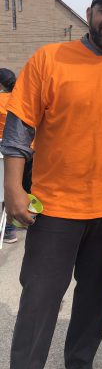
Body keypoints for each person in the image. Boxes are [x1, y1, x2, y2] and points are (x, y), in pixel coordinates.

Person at [1, 0, 102, 369]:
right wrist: (14, 191)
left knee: (95, 298)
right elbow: (18, 132)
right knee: (40, 299)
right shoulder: (49, 59)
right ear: (88, 13)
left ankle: (80, 362)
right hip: (54, 208)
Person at [0, 68, 18, 243]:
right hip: (29, 148)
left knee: (6, 189)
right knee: (23, 187)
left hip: (5, 150)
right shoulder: (21, 97)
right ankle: (24, 219)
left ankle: (8, 230)